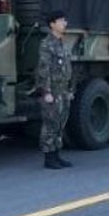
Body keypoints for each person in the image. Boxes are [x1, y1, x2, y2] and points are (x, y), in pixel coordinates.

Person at [36, 10, 74, 169]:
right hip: (53, 92)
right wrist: (47, 92)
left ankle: (57, 155)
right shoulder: (47, 44)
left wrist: (70, 89)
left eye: (64, 20)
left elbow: (67, 69)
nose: (64, 23)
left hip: (63, 91)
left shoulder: (61, 43)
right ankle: (49, 158)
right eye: (61, 20)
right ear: (52, 24)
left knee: (60, 124)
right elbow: (43, 70)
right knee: (50, 124)